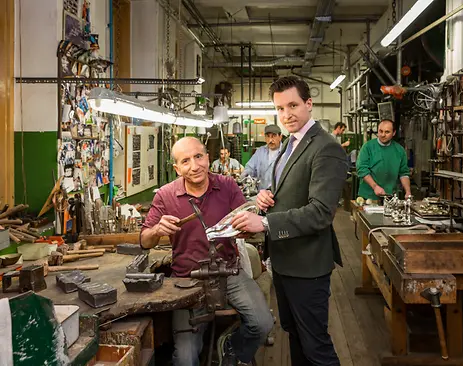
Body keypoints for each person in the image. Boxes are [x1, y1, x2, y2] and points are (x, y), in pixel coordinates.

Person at [229, 76, 348, 366]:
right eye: (280, 109)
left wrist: (266, 223)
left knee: (316, 346)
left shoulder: (326, 148)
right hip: (284, 261)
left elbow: (320, 211)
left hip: (307, 265)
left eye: (293, 105)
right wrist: (266, 197)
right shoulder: (291, 144)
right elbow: (289, 191)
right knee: (294, 334)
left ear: (309, 104)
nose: (286, 115)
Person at [140, 137, 273, 366]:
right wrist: (157, 230)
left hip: (228, 272)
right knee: (185, 358)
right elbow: (144, 241)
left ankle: (233, 347)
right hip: (186, 279)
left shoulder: (228, 185)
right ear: (177, 168)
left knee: (263, 323)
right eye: (185, 161)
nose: (194, 166)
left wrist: (245, 228)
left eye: (198, 157)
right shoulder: (165, 195)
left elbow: (246, 223)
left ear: (208, 158)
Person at [356, 119, 411, 200]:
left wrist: (408, 191)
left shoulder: (399, 150)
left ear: (394, 133)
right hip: (369, 196)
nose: (382, 135)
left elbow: (404, 173)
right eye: (380, 131)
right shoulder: (368, 147)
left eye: (387, 132)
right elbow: (362, 169)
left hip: (391, 196)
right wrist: (375, 187)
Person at [241, 124, 283, 190]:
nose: (270, 140)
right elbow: (250, 167)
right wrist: (245, 176)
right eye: (268, 136)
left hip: (278, 194)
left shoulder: (285, 152)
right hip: (261, 194)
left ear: (280, 137)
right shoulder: (260, 152)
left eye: (273, 136)